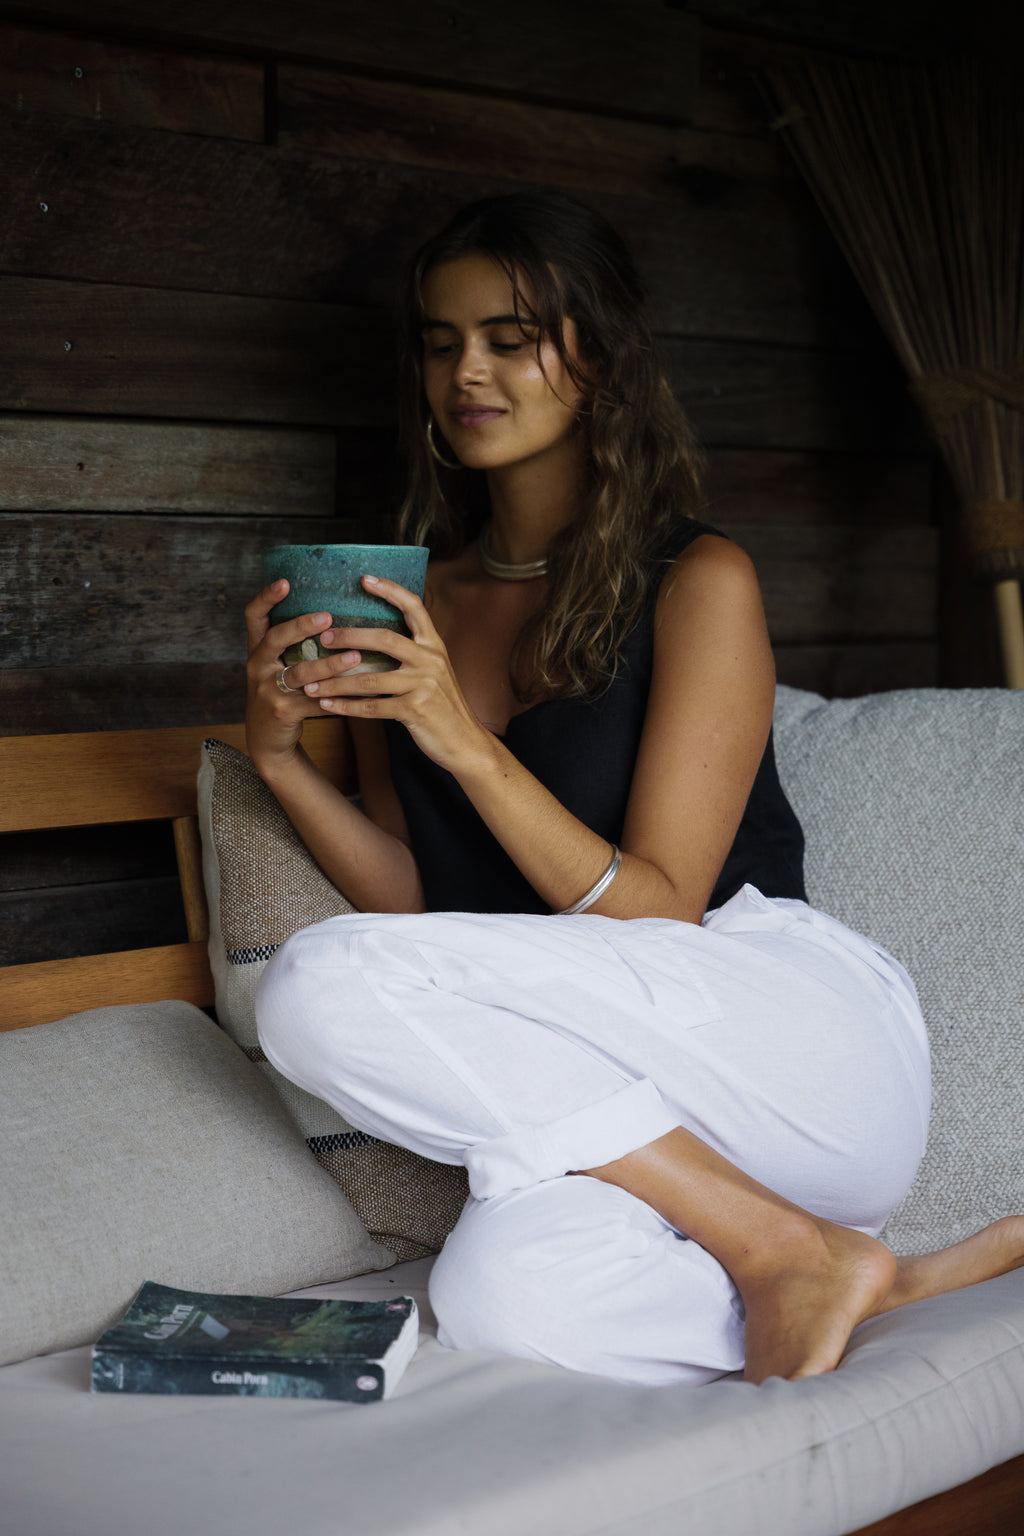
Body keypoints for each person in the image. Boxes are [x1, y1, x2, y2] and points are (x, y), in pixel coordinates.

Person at [245, 191, 1022, 1388]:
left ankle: (778, 1242)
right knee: (502, 1296)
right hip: (623, 1106)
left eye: (510, 338)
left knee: (313, 984)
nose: (468, 371)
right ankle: (858, 1273)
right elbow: (416, 909)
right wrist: (282, 760)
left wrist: (464, 740)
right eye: (442, 341)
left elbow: (659, 909)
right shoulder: (413, 602)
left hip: (783, 1047)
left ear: (595, 358)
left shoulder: (696, 578)